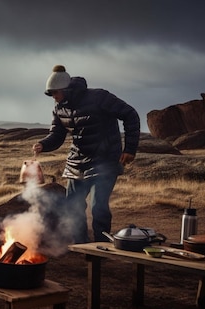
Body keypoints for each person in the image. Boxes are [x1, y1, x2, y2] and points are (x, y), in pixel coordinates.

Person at [32, 65, 140, 243]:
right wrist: (43, 144)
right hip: (77, 162)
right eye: (50, 94)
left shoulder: (99, 97)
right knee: (72, 206)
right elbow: (57, 135)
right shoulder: (59, 107)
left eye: (55, 93)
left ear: (65, 89)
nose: (53, 97)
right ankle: (81, 244)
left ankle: (101, 246)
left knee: (98, 207)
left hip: (104, 161)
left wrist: (129, 149)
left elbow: (130, 115)